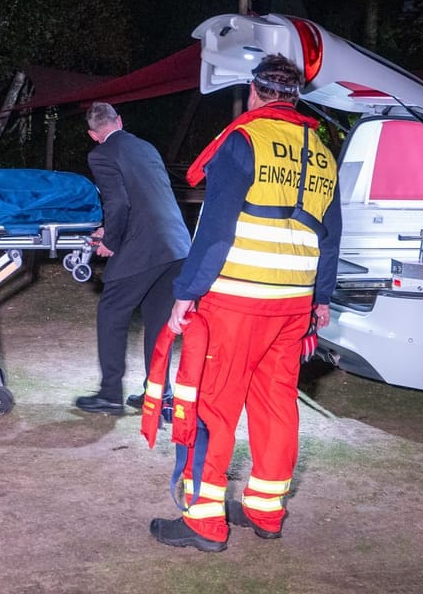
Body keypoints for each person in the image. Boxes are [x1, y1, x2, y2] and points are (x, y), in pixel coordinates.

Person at [149, 54, 341, 551]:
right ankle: (266, 510)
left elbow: (215, 229)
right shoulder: (321, 150)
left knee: (214, 404)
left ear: (255, 93)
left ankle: (205, 522)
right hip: (293, 306)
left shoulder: (244, 138)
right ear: (296, 97)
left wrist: (186, 293)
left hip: (238, 299)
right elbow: (330, 236)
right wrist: (320, 299)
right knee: (277, 406)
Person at [74, 102, 191, 415]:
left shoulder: (100, 154)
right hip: (177, 246)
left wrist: (109, 240)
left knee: (111, 312)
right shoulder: (146, 148)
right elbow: (144, 198)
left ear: (92, 134)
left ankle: (110, 394)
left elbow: (118, 202)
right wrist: (109, 229)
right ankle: (159, 395)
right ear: (119, 121)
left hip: (144, 248)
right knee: (158, 322)